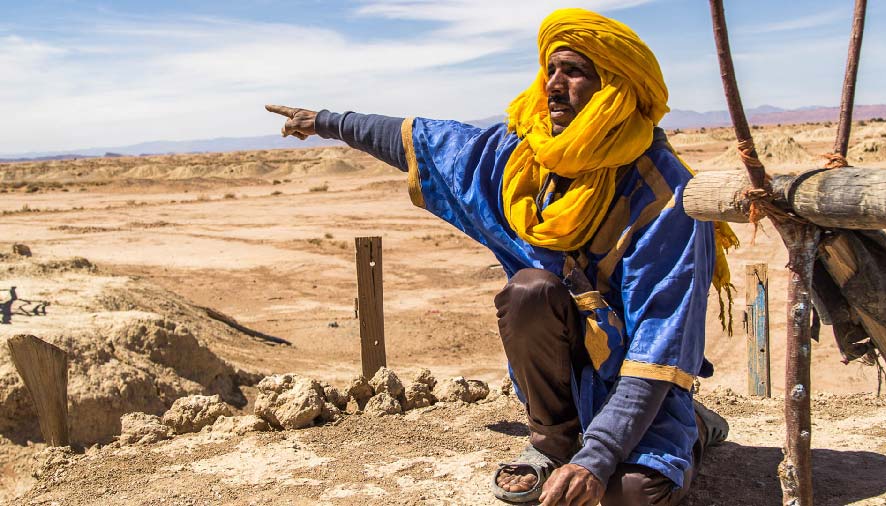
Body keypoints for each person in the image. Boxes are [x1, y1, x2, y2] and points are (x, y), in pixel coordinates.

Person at [266, 8, 733, 505]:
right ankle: (552, 442)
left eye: (573, 72)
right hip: (568, 365)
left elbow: (658, 347)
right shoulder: (521, 160)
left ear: (612, 87)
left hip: (642, 384)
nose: (553, 85)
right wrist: (327, 122)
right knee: (530, 289)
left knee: (630, 495)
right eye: (549, 70)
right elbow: (421, 141)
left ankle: (694, 427)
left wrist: (597, 458)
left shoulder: (665, 195)